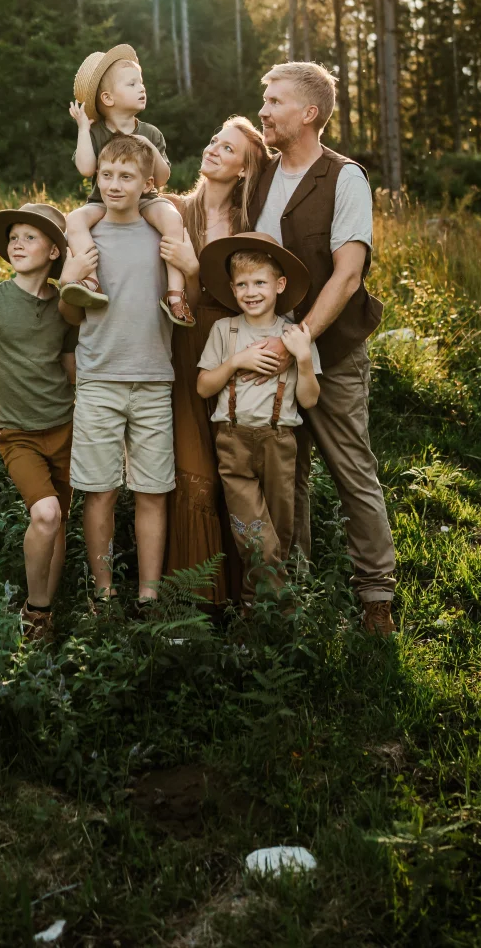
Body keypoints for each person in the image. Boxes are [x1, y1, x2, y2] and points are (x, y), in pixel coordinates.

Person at [250, 60, 396, 636]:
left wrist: (301, 339)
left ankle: (375, 597)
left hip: (329, 353)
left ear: (309, 113)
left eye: (275, 101)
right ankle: (295, 594)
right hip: (264, 354)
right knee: (286, 479)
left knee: (350, 469)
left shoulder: (345, 178)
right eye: (263, 100)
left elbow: (348, 276)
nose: (263, 109)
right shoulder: (258, 174)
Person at [58, 133, 176, 609]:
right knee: (99, 490)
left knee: (152, 490)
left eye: (126, 176)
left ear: (147, 182)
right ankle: (103, 593)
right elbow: (70, 314)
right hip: (99, 380)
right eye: (106, 175)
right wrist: (70, 276)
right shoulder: (86, 238)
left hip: (153, 379)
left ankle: (149, 593)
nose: (113, 184)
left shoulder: (160, 233)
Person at [158, 116, 271, 607]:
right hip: (181, 350)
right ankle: (194, 599)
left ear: (245, 169)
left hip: (232, 353)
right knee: (192, 464)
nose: (213, 150)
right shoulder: (173, 212)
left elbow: (241, 300)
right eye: (213, 140)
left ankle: (247, 594)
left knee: (234, 465)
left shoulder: (251, 229)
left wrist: (194, 269)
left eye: (227, 148)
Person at [0, 202, 80, 645]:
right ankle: (35, 610)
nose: (18, 243)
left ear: (53, 252)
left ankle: (49, 613)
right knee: (45, 514)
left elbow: (71, 370)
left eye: (31, 237)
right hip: (16, 432)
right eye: (14, 236)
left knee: (60, 519)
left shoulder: (66, 309)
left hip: (64, 426)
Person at [196, 235, 320, 602]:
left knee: (278, 534)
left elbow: (310, 399)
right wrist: (235, 362)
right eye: (242, 284)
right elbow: (204, 387)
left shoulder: (295, 335)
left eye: (260, 282)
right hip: (233, 441)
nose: (251, 292)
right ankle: (273, 614)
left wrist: (303, 359)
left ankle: (261, 619)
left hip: (279, 442)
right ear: (232, 289)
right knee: (253, 534)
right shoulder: (226, 331)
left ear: (279, 285)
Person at [62, 43, 194, 327]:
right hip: (103, 202)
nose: (141, 88)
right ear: (108, 98)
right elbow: (86, 168)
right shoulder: (96, 132)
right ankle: (90, 281)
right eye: (132, 83)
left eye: (141, 83)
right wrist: (83, 129)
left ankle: (174, 293)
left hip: (146, 200)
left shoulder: (150, 132)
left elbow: (161, 178)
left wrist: (147, 146)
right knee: (75, 219)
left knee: (172, 217)